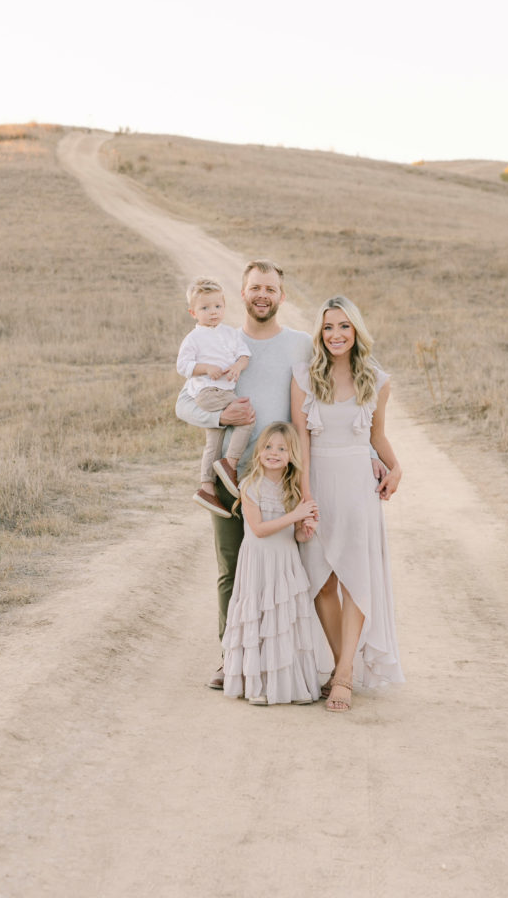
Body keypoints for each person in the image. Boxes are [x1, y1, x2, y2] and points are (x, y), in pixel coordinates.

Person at [175, 259, 312, 689]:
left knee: (288, 569)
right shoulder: (220, 340)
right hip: (231, 477)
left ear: (281, 297)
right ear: (243, 293)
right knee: (231, 567)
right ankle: (230, 658)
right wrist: (221, 419)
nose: (262, 295)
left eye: (270, 288)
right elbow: (183, 404)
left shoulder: (300, 344)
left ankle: (281, 659)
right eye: (255, 287)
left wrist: (368, 451)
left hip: (281, 478)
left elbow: (317, 409)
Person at [291, 295, 404, 713]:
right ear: (319, 335)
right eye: (327, 327)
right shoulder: (303, 376)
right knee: (321, 580)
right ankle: (346, 665)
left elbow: (377, 437)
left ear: (356, 331)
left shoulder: (376, 380)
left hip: (358, 486)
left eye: (343, 326)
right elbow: (301, 439)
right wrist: (304, 495)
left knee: (355, 578)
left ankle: (341, 676)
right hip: (317, 480)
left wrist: (396, 468)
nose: (335, 334)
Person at [222, 422, 321, 705]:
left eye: (281, 448)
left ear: (292, 455)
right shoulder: (250, 485)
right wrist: (296, 515)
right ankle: (259, 686)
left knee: (283, 622)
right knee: (260, 620)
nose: (273, 453)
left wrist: (305, 530)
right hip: (259, 562)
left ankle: (289, 686)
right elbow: (260, 529)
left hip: (285, 562)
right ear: (258, 451)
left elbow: (297, 535)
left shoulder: (292, 489)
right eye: (267, 447)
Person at [177, 277, 253, 517]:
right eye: (205, 308)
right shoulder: (194, 338)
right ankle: (229, 463)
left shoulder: (230, 333)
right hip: (208, 392)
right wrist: (205, 368)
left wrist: (238, 367)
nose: (212, 313)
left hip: (224, 390)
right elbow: (183, 366)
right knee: (246, 416)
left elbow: (244, 355)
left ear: (224, 306)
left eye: (217, 307)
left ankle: (206, 487)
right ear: (193, 312)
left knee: (213, 440)